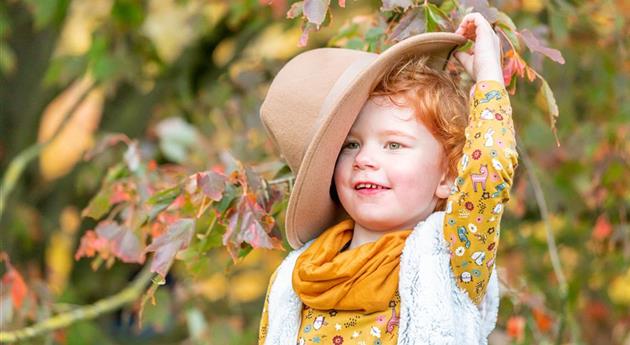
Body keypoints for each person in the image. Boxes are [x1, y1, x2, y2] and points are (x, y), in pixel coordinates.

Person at [257, 12, 518, 345]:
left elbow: (489, 170)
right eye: (350, 145)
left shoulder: (450, 256)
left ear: (449, 175)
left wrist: (489, 77)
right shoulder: (296, 280)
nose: (365, 159)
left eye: (394, 144)